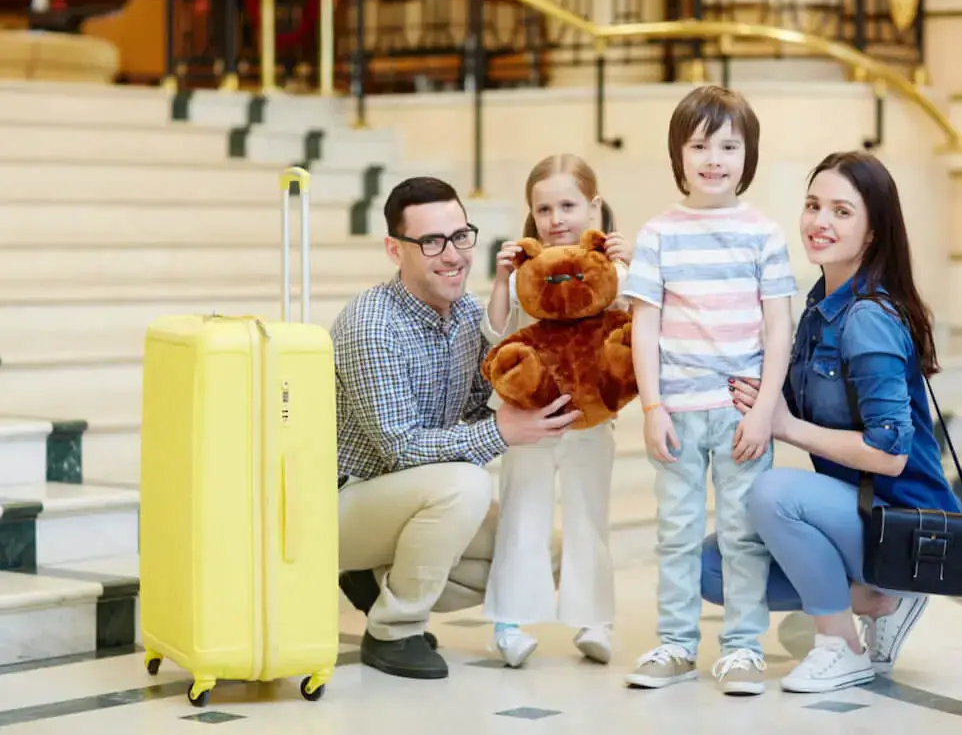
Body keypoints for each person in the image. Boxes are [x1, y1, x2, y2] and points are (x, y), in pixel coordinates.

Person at [701, 150, 962, 694]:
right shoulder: (821, 305)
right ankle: (879, 598)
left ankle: (840, 645)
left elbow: (889, 453)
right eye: (813, 205)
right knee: (715, 566)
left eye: (842, 212)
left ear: (872, 232)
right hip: (861, 513)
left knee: (774, 493)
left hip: (909, 524)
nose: (820, 222)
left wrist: (786, 426)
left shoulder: (867, 317)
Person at [331, 176, 581, 681]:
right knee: (465, 486)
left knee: (545, 546)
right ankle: (394, 629)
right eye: (430, 242)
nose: (452, 256)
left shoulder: (470, 316)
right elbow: (400, 447)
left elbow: (475, 410)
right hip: (340, 505)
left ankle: (379, 583)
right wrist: (504, 432)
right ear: (394, 250)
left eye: (460, 236)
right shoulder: (371, 324)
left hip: (411, 500)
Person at [621, 85, 798, 696]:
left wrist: (765, 412)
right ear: (679, 155)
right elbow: (643, 324)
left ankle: (744, 649)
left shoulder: (764, 235)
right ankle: (674, 644)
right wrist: (650, 406)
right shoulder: (659, 234)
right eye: (700, 145)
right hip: (676, 412)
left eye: (729, 145)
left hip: (740, 414)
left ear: (748, 157)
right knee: (675, 533)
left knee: (743, 535)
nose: (715, 158)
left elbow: (780, 327)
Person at [479, 154, 632, 668]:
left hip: (591, 417)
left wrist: (628, 262)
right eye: (543, 208)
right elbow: (499, 333)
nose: (556, 218)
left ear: (593, 205)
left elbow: (632, 320)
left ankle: (594, 618)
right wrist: (501, 280)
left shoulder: (608, 265)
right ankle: (510, 620)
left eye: (568, 205)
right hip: (531, 416)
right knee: (524, 509)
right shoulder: (529, 269)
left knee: (589, 513)